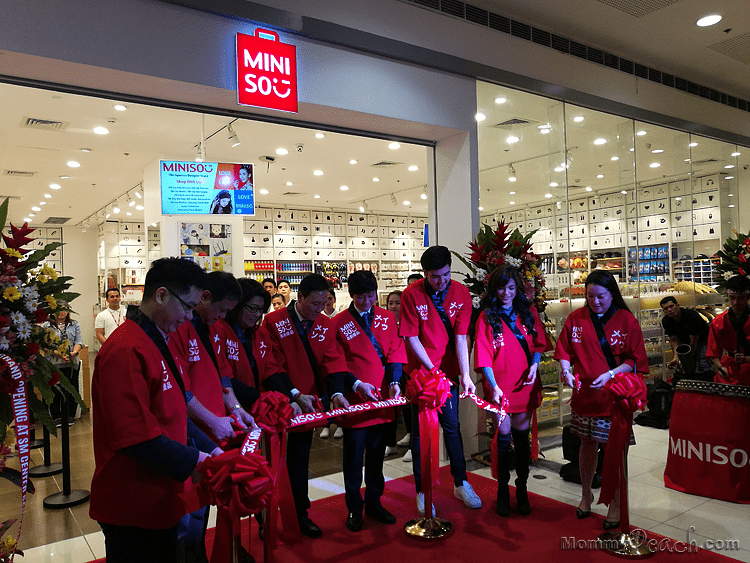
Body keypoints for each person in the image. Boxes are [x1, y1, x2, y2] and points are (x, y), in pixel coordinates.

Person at [90, 257, 219, 563]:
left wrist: (212, 451)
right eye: (187, 306)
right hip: (133, 500)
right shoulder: (125, 348)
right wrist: (199, 460)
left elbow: (172, 412)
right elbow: (136, 438)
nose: (188, 317)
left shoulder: (157, 339)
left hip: (159, 492)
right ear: (161, 295)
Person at [554, 269, 648, 530]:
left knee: (614, 451)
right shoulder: (576, 318)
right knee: (585, 445)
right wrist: (565, 370)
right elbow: (564, 350)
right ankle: (586, 494)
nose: (595, 301)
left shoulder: (626, 320)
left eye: (601, 296)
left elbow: (635, 360)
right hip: (584, 396)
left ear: (612, 294)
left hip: (614, 398)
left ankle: (616, 503)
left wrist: (611, 373)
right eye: (590, 296)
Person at [264, 273, 353, 538]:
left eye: (323, 303)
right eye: (314, 304)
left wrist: (337, 392)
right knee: (270, 464)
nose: (318, 309)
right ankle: (264, 518)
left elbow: (334, 359)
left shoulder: (325, 324)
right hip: (278, 402)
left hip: (308, 406)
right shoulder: (273, 321)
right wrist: (291, 394)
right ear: (299, 297)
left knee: (300, 461)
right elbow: (270, 364)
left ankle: (300, 514)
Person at [399, 245, 481, 515]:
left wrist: (465, 374)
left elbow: (461, 337)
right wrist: (431, 370)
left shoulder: (460, 293)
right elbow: (411, 337)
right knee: (421, 435)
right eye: (435, 277)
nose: (441, 281)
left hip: (449, 375)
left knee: (452, 428)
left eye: (446, 275)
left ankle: (461, 482)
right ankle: (423, 490)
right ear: (425, 274)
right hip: (422, 376)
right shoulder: (412, 294)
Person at [332, 271, 406, 532]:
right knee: (353, 459)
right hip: (355, 401)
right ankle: (354, 506)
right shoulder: (339, 322)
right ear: (351, 295)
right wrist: (355, 384)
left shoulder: (387, 318)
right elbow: (336, 361)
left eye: (371, 295)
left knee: (377, 456)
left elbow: (396, 351)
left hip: (383, 399)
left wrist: (395, 381)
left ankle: (374, 502)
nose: (366, 301)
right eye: (361, 296)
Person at [474, 265, 547, 516]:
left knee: (521, 440)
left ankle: (523, 488)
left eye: (512, 287)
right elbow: (483, 356)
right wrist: (493, 386)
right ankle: (502, 489)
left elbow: (539, 343)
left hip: (525, 384)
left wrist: (535, 366)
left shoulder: (529, 312)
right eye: (502, 287)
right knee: (503, 440)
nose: (506, 292)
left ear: (518, 289)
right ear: (494, 289)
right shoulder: (486, 317)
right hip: (499, 388)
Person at [168, 271, 258, 445]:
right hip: (193, 427)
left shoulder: (215, 328)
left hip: (218, 420)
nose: (223, 316)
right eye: (222, 309)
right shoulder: (179, 329)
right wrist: (212, 421)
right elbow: (180, 389)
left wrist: (236, 408)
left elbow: (223, 375)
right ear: (205, 297)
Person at [42, 304, 83, 426]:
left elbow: (79, 341)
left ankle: (69, 415)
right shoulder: (46, 326)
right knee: (54, 388)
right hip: (53, 362)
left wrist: (74, 353)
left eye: (65, 309)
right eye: (59, 309)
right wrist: (58, 353)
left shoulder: (74, 324)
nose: (62, 312)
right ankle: (56, 416)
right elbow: (45, 344)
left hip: (71, 362)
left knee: (71, 388)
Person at [707, 275, 750, 386]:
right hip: (728, 370)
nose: (735, 302)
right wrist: (720, 367)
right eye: (732, 298)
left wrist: (747, 359)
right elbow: (713, 350)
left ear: (748, 297)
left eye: (740, 298)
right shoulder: (718, 321)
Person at [659, 296, 713, 382]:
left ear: (678, 305)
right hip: (685, 341)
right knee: (687, 368)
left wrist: (688, 358)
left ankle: (707, 384)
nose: (669, 310)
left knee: (702, 364)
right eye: (666, 308)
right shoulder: (666, 321)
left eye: (671, 306)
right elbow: (674, 340)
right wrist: (676, 357)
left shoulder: (691, 316)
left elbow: (694, 341)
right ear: (663, 311)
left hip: (703, 340)